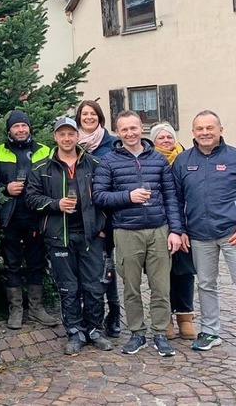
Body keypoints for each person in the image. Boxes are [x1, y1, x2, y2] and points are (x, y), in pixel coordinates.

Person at [93, 110, 183, 357]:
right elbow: (99, 196)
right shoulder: (109, 161)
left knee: (160, 287)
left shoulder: (158, 159)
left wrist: (175, 230)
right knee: (131, 287)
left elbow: (171, 198)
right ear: (118, 132)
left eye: (134, 128)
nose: (130, 133)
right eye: (125, 129)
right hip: (126, 231)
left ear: (141, 128)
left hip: (158, 230)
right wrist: (128, 197)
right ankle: (137, 333)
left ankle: (160, 334)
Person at [26, 117, 112, 355]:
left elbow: (107, 197)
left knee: (95, 287)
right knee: (68, 288)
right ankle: (74, 333)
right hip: (58, 236)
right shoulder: (41, 168)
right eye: (62, 134)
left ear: (77, 136)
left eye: (71, 134)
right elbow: (31, 199)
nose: (66, 138)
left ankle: (94, 330)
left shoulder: (94, 164)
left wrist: (103, 226)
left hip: (90, 236)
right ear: (55, 137)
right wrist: (55, 204)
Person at [172, 110, 236, 351]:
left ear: (220, 129)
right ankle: (210, 332)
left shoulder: (233, 157)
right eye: (200, 129)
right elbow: (175, 199)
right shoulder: (183, 161)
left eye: (210, 128)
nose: (205, 133)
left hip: (231, 232)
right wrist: (179, 229)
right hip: (198, 234)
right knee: (206, 284)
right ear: (193, 133)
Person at [0, 110, 58, 329]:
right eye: (15, 126)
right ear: (9, 130)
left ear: (30, 128)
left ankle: (37, 308)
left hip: (37, 217)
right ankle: (16, 309)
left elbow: (53, 181)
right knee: (11, 264)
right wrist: (6, 189)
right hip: (10, 217)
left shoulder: (45, 151)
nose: (20, 130)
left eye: (24, 126)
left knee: (36, 263)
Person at [75, 100, 121, 338]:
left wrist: (106, 223)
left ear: (100, 117)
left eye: (93, 114)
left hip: (105, 216)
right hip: (80, 218)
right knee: (87, 269)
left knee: (107, 267)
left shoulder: (111, 144)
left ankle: (113, 314)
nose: (89, 117)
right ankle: (90, 315)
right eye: (85, 114)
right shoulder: (73, 144)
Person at [150, 122, 196, 341]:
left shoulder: (186, 159)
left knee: (185, 272)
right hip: (159, 224)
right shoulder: (150, 160)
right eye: (161, 138)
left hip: (186, 225)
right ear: (154, 141)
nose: (167, 141)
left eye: (170, 137)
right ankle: (165, 318)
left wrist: (182, 227)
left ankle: (185, 317)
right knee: (161, 273)